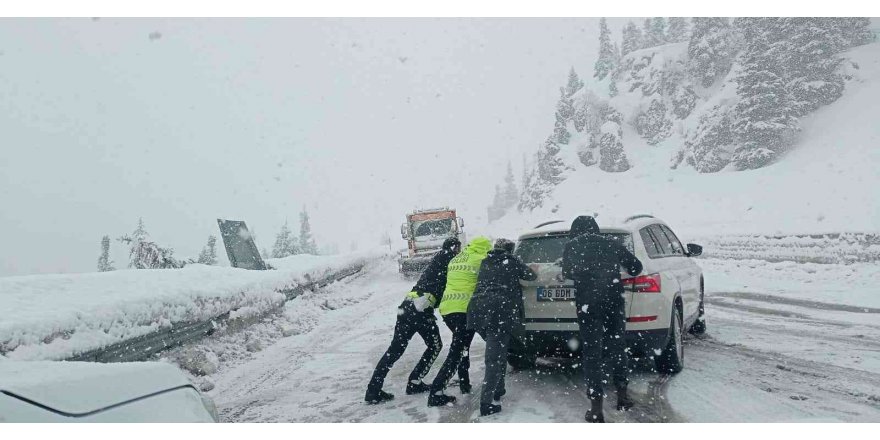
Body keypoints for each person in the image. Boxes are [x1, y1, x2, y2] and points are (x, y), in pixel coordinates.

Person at [561, 216, 643, 423]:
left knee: (591, 353)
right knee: (618, 346)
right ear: (595, 228)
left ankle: (596, 408)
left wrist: (584, 274)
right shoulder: (610, 243)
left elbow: (567, 272)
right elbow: (635, 268)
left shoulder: (572, 246)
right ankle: (622, 397)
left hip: (588, 305)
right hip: (613, 302)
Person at [364, 237, 462, 404]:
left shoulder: (437, 259)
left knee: (395, 350)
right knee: (435, 345)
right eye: (459, 249)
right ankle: (415, 381)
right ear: (455, 248)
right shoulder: (450, 260)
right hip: (421, 308)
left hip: (407, 306)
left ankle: (373, 390)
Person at [466, 238, 537, 416]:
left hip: (477, 310)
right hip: (498, 311)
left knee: (497, 352)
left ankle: (498, 390)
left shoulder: (485, 261)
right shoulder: (511, 261)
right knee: (495, 358)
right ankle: (487, 402)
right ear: (510, 251)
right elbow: (531, 276)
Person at [426, 236, 492, 407]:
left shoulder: (457, 258)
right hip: (464, 310)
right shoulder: (481, 259)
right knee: (457, 351)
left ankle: (464, 382)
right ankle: (436, 391)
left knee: (462, 347)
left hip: (448, 309)